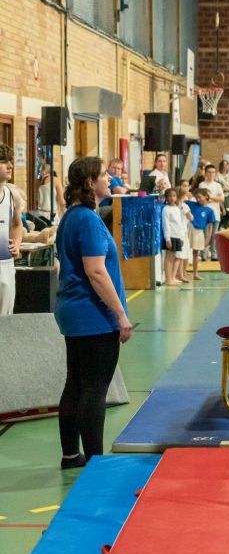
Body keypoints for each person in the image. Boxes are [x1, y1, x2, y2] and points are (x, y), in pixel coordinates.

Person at [54, 157, 132, 468]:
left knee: (76, 383)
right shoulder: (86, 219)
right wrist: (120, 314)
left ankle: (71, 454)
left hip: (73, 311)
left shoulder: (72, 216)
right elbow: (96, 272)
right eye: (104, 176)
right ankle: (96, 460)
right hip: (91, 315)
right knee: (95, 388)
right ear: (89, 183)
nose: (110, 180)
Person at [0, 144, 23, 315]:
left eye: (11, 162)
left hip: (6, 264)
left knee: (5, 321)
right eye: (4, 162)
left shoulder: (12, 194)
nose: (10, 166)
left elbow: (17, 224)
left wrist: (16, 242)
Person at [187, 188, 216, 279]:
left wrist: (208, 238)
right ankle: (182, 272)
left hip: (199, 232)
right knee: (184, 251)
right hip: (188, 229)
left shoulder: (209, 211)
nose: (198, 200)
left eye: (200, 197)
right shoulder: (191, 204)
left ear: (206, 196)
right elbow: (181, 199)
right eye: (196, 198)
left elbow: (210, 226)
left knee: (196, 253)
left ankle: (195, 273)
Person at [162, 188, 187, 286]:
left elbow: (179, 224)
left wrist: (181, 237)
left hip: (177, 235)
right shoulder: (166, 209)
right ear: (166, 198)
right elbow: (166, 224)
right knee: (169, 258)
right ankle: (168, 279)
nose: (172, 198)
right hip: (171, 236)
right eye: (170, 196)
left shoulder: (177, 208)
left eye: (174, 196)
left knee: (173, 257)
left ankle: (172, 277)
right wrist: (167, 238)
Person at [199, 164, 225, 259]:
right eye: (209, 172)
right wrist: (214, 198)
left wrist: (210, 197)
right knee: (206, 234)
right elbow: (202, 199)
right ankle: (204, 254)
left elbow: (222, 199)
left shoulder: (217, 185)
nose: (211, 174)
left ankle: (214, 254)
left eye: (213, 172)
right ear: (205, 173)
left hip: (215, 212)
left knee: (214, 234)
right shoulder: (202, 185)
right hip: (205, 213)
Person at [175, 187, 193, 283]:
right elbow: (191, 218)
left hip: (177, 231)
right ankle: (181, 274)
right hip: (182, 231)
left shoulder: (174, 205)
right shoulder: (184, 206)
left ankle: (181, 273)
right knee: (182, 255)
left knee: (180, 255)